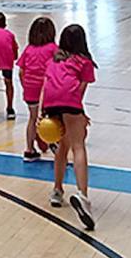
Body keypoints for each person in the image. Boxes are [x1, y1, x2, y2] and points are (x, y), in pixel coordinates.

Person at [38, 23, 97, 231]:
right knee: (78, 146)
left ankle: (57, 190)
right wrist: (80, 114)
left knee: (62, 146)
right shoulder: (84, 62)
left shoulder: (54, 59)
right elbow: (78, 91)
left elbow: (47, 85)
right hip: (69, 101)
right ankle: (83, 196)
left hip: (51, 102)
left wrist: (43, 111)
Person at [16, 17, 58, 162]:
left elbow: (21, 71)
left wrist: (25, 86)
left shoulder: (29, 49)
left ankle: (29, 149)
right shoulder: (53, 48)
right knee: (54, 118)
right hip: (47, 90)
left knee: (32, 118)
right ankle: (55, 144)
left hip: (30, 89)